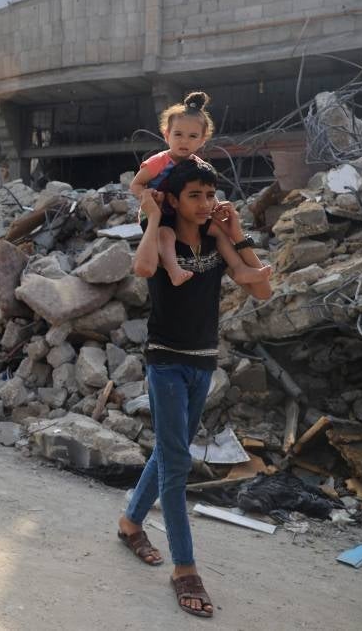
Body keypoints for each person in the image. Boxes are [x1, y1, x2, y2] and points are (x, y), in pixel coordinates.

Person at [118, 159, 272, 619]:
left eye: (210, 195)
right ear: (175, 199)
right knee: (177, 460)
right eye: (195, 196)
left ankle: (130, 524)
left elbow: (259, 287)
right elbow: (144, 269)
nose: (206, 204)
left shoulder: (216, 239)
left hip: (203, 361)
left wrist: (239, 231)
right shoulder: (161, 237)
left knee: (171, 451)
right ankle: (185, 569)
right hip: (165, 359)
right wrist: (154, 217)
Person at [129, 92, 272, 287]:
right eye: (178, 134)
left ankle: (239, 269)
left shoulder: (198, 165)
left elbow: (205, 193)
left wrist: (215, 207)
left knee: (217, 231)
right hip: (158, 214)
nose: (184, 141)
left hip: (183, 213)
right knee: (166, 235)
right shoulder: (158, 163)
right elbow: (135, 184)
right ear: (166, 135)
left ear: (202, 140)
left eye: (192, 136)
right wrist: (146, 196)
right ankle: (174, 270)